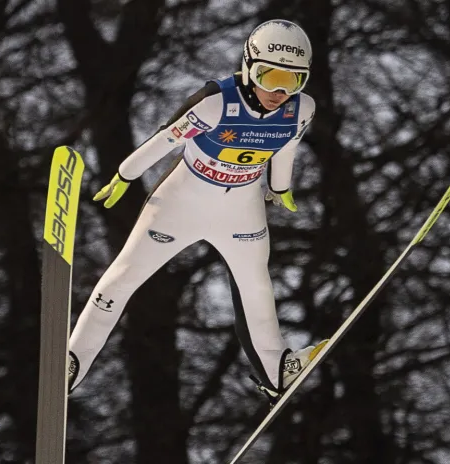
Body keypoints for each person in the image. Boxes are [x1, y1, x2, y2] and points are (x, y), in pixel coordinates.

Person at [66, 19, 327, 407]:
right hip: (181, 204)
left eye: (291, 81)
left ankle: (276, 371)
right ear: (248, 66)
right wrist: (125, 174)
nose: (277, 90)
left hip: (241, 209)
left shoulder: (302, 109)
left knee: (257, 287)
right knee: (122, 277)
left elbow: (286, 144)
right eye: (268, 75)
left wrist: (280, 186)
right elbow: (165, 139)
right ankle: (71, 362)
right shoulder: (216, 101)